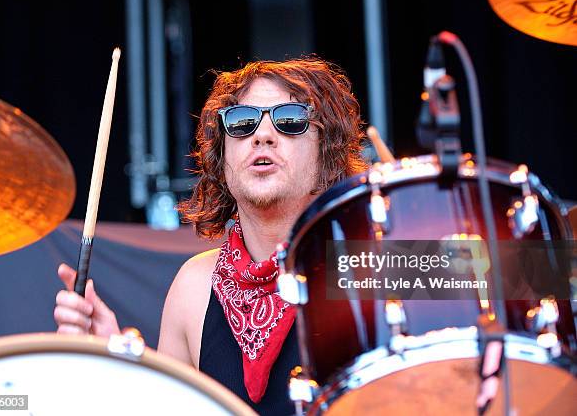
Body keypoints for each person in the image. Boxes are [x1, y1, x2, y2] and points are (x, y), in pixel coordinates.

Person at [54, 58, 367, 415]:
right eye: (242, 123)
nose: (262, 135)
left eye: (290, 120)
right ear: (221, 157)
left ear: (327, 151)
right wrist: (118, 370)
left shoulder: (377, 262)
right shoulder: (194, 286)